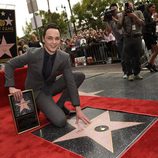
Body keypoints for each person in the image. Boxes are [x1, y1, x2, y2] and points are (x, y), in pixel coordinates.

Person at [5, 23, 90, 127]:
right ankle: (40, 106)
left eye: (57, 38)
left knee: (79, 76)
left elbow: (70, 81)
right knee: (60, 121)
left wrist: (77, 108)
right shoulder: (32, 54)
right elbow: (10, 64)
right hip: (37, 91)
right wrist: (11, 87)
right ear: (43, 39)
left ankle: (59, 104)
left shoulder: (64, 57)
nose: (54, 42)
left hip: (50, 87)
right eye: (50, 38)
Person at [120, 2, 144, 81]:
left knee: (138, 55)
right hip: (127, 38)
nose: (128, 7)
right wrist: (123, 16)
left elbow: (142, 23)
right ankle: (129, 74)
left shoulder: (138, 12)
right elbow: (119, 26)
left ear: (133, 6)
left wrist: (134, 16)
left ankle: (137, 73)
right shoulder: (123, 15)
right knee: (127, 57)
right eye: (126, 6)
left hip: (137, 37)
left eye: (129, 5)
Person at [108, 3, 127, 79]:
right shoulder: (109, 19)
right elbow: (109, 30)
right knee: (122, 56)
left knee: (129, 55)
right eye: (112, 10)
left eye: (115, 9)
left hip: (125, 37)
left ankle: (132, 70)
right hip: (118, 40)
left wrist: (113, 19)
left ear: (117, 9)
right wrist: (106, 20)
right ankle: (125, 72)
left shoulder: (120, 15)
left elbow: (120, 24)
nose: (114, 11)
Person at [142, 3, 158, 72]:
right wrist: (155, 21)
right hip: (148, 34)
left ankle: (152, 66)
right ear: (149, 8)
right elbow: (145, 25)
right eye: (152, 7)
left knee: (153, 51)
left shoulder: (149, 15)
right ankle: (149, 64)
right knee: (156, 50)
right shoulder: (146, 14)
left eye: (154, 7)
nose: (153, 9)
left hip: (150, 34)